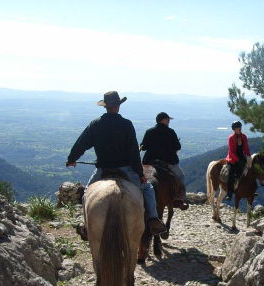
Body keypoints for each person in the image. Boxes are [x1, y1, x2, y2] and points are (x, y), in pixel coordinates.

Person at [66, 91, 166, 235]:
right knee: (148, 189)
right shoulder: (126, 124)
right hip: (125, 169)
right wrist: (140, 174)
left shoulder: (96, 124)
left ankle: (87, 225)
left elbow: (81, 144)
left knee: (87, 194)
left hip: (102, 170)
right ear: (118, 106)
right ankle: (153, 219)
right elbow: (133, 152)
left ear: (105, 107)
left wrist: (71, 159)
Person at [140, 112, 189, 210]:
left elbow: (143, 147)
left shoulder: (149, 131)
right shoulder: (170, 132)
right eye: (168, 120)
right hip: (167, 161)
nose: (169, 122)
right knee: (181, 176)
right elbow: (178, 147)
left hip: (149, 161)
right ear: (163, 120)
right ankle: (179, 200)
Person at [225, 120, 251, 201]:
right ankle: (229, 193)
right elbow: (231, 152)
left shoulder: (244, 137)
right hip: (232, 159)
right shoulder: (231, 138)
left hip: (241, 158)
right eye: (237, 128)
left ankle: (250, 191)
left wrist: (249, 157)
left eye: (239, 128)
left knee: (249, 173)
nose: (239, 129)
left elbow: (246, 148)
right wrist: (238, 160)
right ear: (234, 129)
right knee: (230, 175)